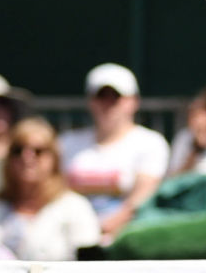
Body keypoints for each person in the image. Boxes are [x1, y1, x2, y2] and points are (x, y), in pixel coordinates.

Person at [60, 62, 171, 241]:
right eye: (101, 96)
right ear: (90, 102)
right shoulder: (67, 142)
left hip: (124, 239)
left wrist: (103, 228)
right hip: (70, 237)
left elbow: (143, 195)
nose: (108, 104)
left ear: (134, 101)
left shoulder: (150, 143)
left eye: (116, 97)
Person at [0, 118, 102, 261]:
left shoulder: (74, 208)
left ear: (54, 159)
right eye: (18, 150)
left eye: (38, 151)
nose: (27, 157)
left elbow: (88, 265)